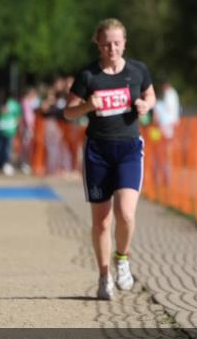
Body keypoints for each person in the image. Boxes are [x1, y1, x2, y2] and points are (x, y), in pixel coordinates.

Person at [65, 18, 156, 300]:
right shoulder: (88, 75)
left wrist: (145, 104)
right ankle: (104, 276)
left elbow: (150, 95)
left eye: (117, 43)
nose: (112, 48)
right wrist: (87, 105)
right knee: (102, 222)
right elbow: (68, 112)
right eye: (106, 43)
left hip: (128, 148)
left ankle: (122, 259)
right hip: (97, 152)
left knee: (126, 214)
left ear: (124, 42)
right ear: (98, 44)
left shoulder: (138, 70)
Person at [0, 89, 21, 176]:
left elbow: (18, 115)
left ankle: (6, 163)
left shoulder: (14, 104)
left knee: (7, 148)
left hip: (10, 131)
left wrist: (16, 125)